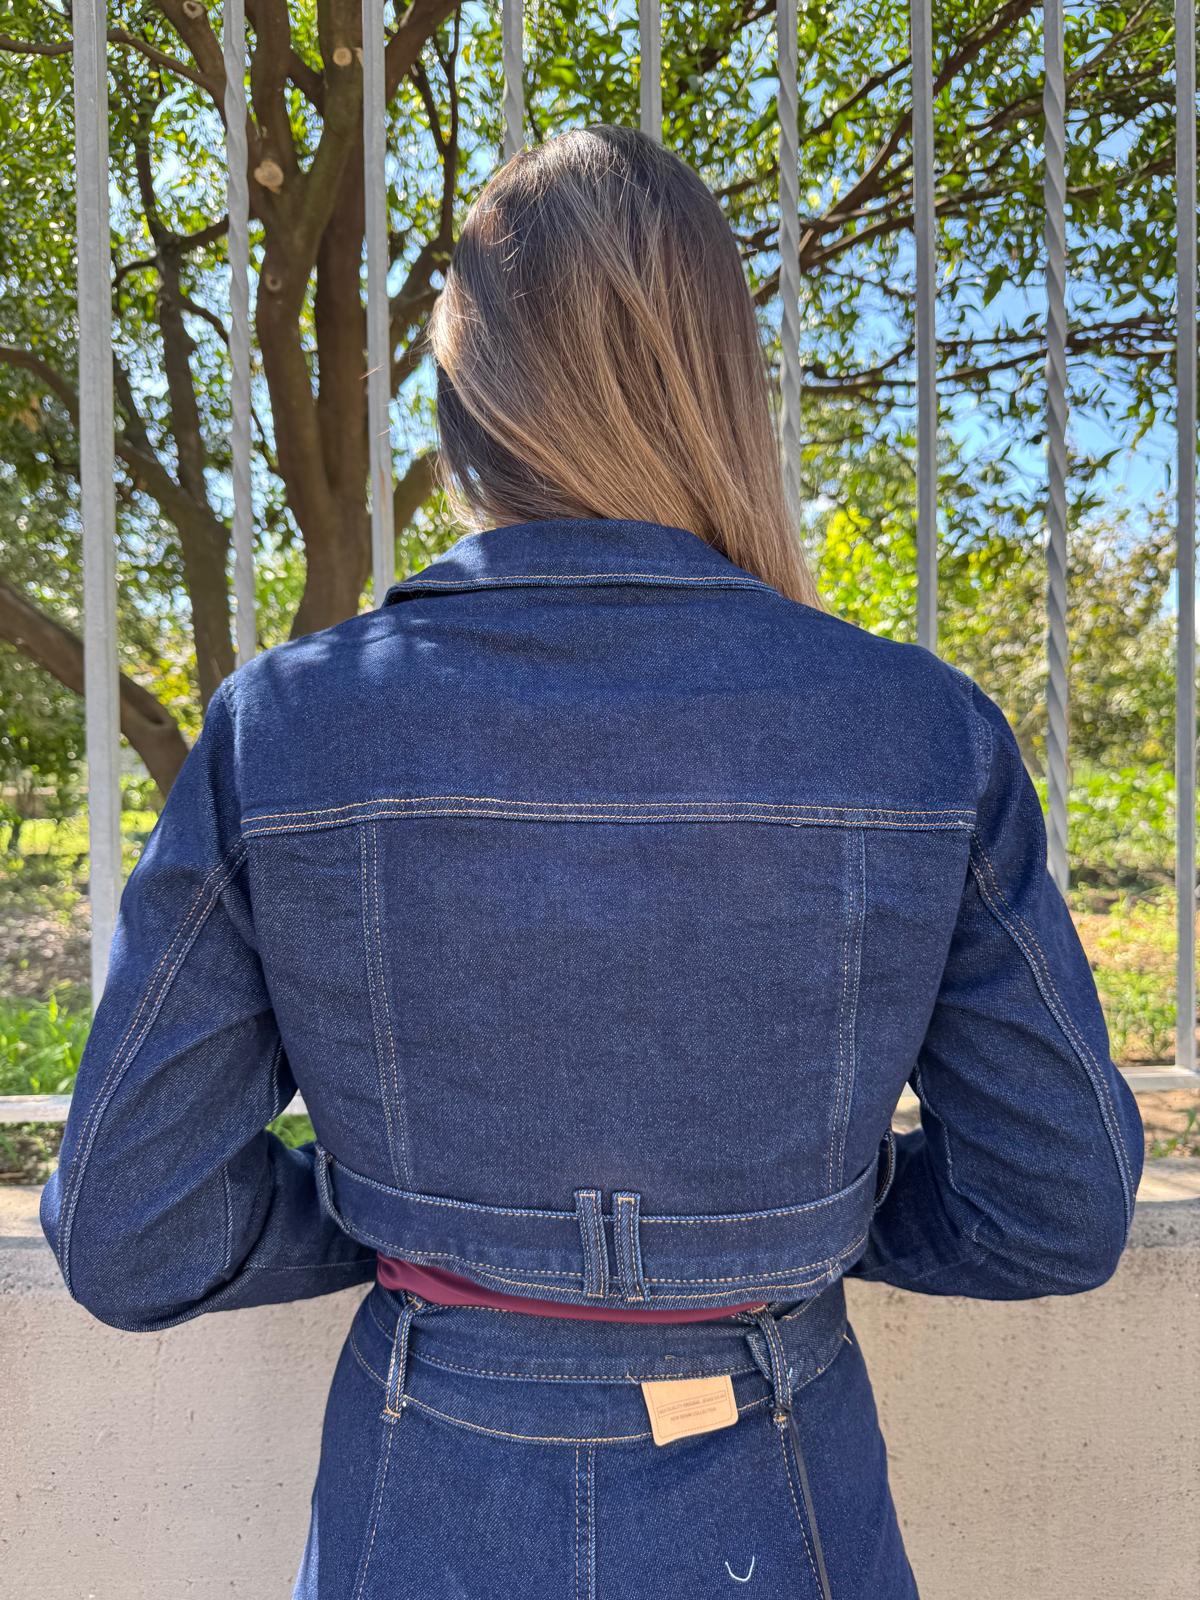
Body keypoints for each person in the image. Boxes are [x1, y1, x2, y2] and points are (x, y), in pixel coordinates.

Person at [41, 124, 1144, 1599]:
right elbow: (1055, 1205)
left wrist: (390, 1227)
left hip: (421, 1490)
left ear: (464, 406)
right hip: (784, 1492)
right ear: (726, 389)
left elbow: (132, 1230)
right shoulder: (920, 734)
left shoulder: (289, 729)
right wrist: (817, 1211)